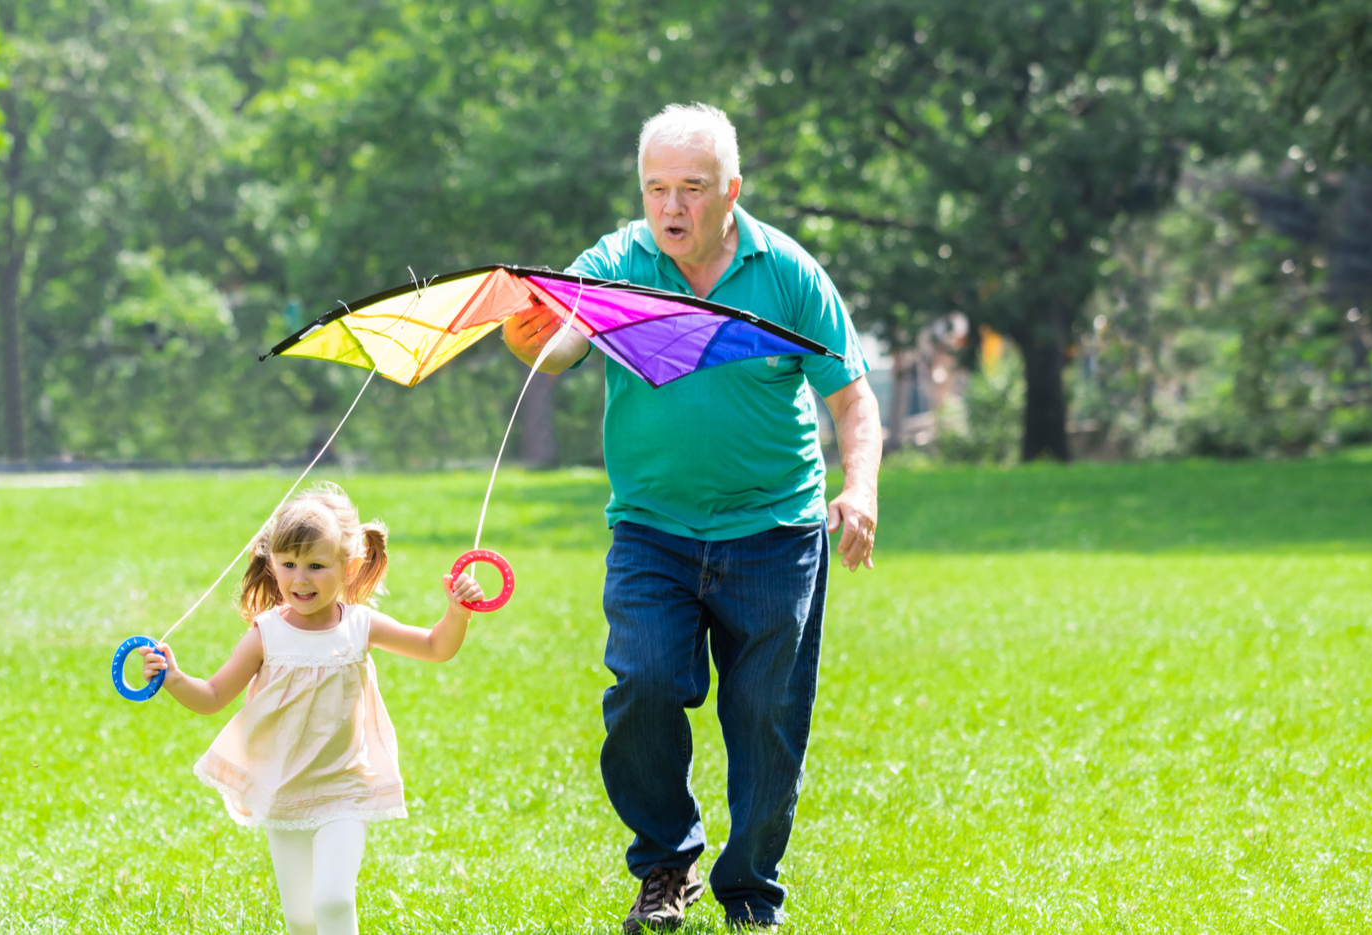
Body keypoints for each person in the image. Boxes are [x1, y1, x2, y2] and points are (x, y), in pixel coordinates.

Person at [502, 103, 883, 932]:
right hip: (652, 529)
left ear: (731, 190)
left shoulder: (786, 273)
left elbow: (853, 399)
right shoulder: (615, 260)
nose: (671, 207)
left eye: (692, 188)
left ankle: (749, 891)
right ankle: (665, 864)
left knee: (767, 722)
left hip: (774, 533)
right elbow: (567, 339)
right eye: (656, 188)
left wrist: (861, 489)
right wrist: (536, 336)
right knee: (641, 683)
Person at [138, 484, 484, 935]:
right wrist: (174, 678)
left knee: (333, 901)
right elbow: (212, 698)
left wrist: (458, 613)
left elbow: (436, 647)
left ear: (349, 566)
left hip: (346, 787)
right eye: (288, 565)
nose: (300, 580)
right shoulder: (266, 633)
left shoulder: (359, 625)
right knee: (301, 919)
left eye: (316, 566)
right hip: (283, 790)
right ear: (273, 563)